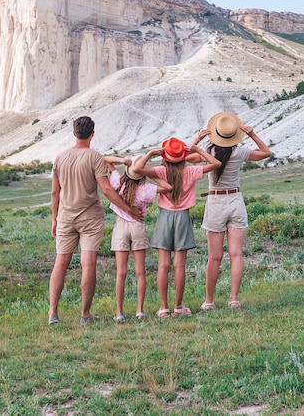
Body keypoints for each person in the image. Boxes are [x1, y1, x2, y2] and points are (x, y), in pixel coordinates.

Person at [48, 116, 142, 326]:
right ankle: (85, 313)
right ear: (93, 133)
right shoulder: (95, 158)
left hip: (65, 216)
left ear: (74, 133)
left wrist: (54, 219)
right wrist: (128, 209)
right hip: (90, 218)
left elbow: (55, 192)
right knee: (88, 263)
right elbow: (107, 189)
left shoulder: (60, 158)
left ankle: (53, 312)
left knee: (60, 262)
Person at [191, 112, 272, 311]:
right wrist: (252, 134)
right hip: (235, 200)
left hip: (216, 202)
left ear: (216, 133)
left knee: (214, 256)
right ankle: (234, 299)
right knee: (236, 254)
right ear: (234, 133)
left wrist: (197, 139)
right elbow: (266, 153)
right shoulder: (241, 152)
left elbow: (184, 156)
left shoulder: (208, 150)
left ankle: (209, 301)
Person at [132, 138, 220, 318]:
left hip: (164, 217)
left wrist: (150, 153)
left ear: (165, 156)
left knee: (163, 265)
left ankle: (164, 308)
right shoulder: (190, 171)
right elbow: (216, 163)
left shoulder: (160, 171)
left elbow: (136, 169)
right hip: (183, 217)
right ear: (183, 157)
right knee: (180, 265)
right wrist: (198, 150)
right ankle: (178, 307)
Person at [104, 155, 172, 322]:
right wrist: (148, 172)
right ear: (141, 174)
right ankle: (139, 310)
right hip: (137, 226)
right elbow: (167, 187)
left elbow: (106, 160)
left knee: (121, 272)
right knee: (140, 271)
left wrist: (124, 162)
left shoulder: (117, 181)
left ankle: (119, 312)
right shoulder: (145, 188)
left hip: (120, 227)